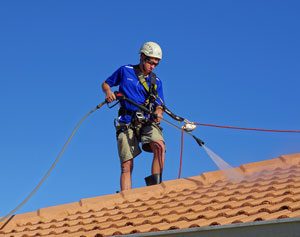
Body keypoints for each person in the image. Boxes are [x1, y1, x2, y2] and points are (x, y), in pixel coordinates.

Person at [102, 42, 166, 191]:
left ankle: (155, 189)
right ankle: (126, 199)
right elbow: (106, 84)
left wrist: (158, 113)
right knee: (126, 164)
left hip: (146, 120)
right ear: (142, 57)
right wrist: (108, 93)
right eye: (150, 62)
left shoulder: (156, 82)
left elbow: (159, 105)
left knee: (160, 146)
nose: (153, 66)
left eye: (156, 64)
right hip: (126, 121)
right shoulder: (125, 71)